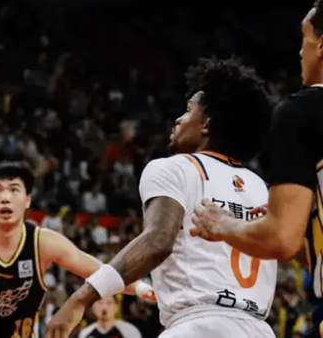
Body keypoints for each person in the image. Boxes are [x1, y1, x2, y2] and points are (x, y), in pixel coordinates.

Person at [46, 58, 277, 338]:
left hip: (199, 325)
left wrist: (81, 297)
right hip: (259, 328)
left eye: (188, 110)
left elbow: (158, 241)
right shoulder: (261, 187)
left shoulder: (174, 168)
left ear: (207, 123)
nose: (178, 119)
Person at [190, 0, 323, 336]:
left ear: (321, 44)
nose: (300, 52)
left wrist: (223, 224)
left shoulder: (302, 113)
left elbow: (280, 239)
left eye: (304, 38)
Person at [0, 161, 154, 338]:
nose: (5, 198)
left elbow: (99, 271)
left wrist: (140, 287)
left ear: (27, 200)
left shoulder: (42, 242)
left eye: (14, 190)